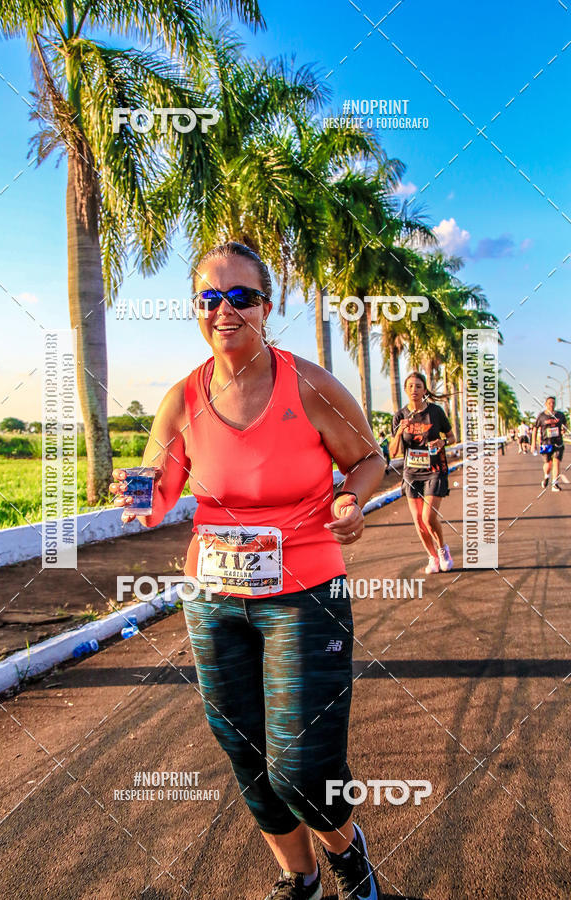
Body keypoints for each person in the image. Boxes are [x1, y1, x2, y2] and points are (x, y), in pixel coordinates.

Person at [110, 241, 386, 900]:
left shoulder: (309, 384)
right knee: (247, 755)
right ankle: (299, 877)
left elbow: (369, 458)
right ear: (196, 310)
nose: (224, 309)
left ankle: (348, 854)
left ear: (267, 306)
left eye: (240, 296)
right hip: (213, 599)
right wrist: (136, 498)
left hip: (305, 596)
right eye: (210, 297)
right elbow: (159, 494)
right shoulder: (183, 399)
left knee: (301, 767)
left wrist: (352, 498)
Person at [389, 372, 456, 574]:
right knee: (418, 520)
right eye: (410, 386)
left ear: (424, 390)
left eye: (418, 386)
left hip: (434, 470)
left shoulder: (435, 412)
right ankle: (432, 557)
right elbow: (393, 452)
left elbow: (452, 437)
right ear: (406, 390)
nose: (414, 390)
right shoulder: (400, 416)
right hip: (412, 473)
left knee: (428, 517)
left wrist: (441, 442)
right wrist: (400, 432)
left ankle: (443, 549)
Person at [531, 396, 568, 491]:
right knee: (548, 464)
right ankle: (546, 476)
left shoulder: (560, 415)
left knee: (556, 462)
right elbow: (535, 429)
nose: (551, 405)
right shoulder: (541, 416)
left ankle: (555, 483)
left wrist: (564, 430)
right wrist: (533, 444)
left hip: (558, 443)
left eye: (553, 403)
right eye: (549, 403)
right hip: (545, 443)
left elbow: (565, 425)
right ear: (546, 404)